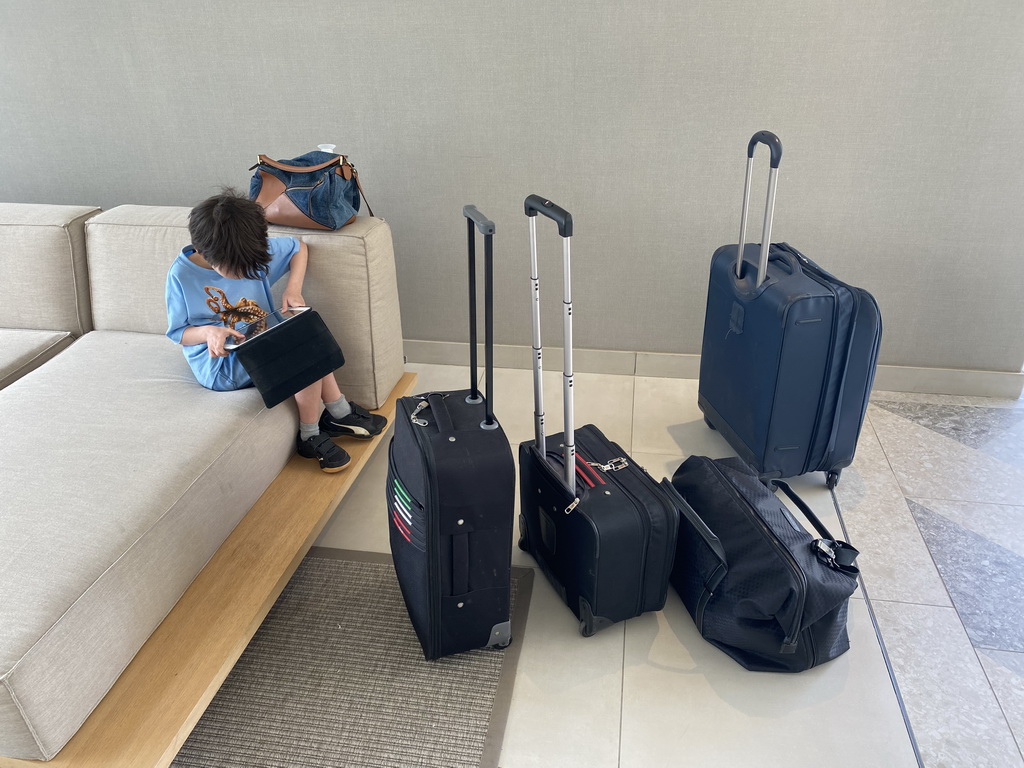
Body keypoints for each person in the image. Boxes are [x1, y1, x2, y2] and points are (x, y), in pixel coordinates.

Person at [165, 190, 386, 472]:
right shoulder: (181, 276)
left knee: (306, 333)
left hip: (264, 344)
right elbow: (178, 332)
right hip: (222, 365)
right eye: (239, 269)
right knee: (302, 350)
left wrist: (293, 289)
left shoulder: (248, 252)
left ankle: (338, 412)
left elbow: (297, 248)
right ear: (207, 253)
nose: (249, 272)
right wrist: (209, 332)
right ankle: (311, 433)